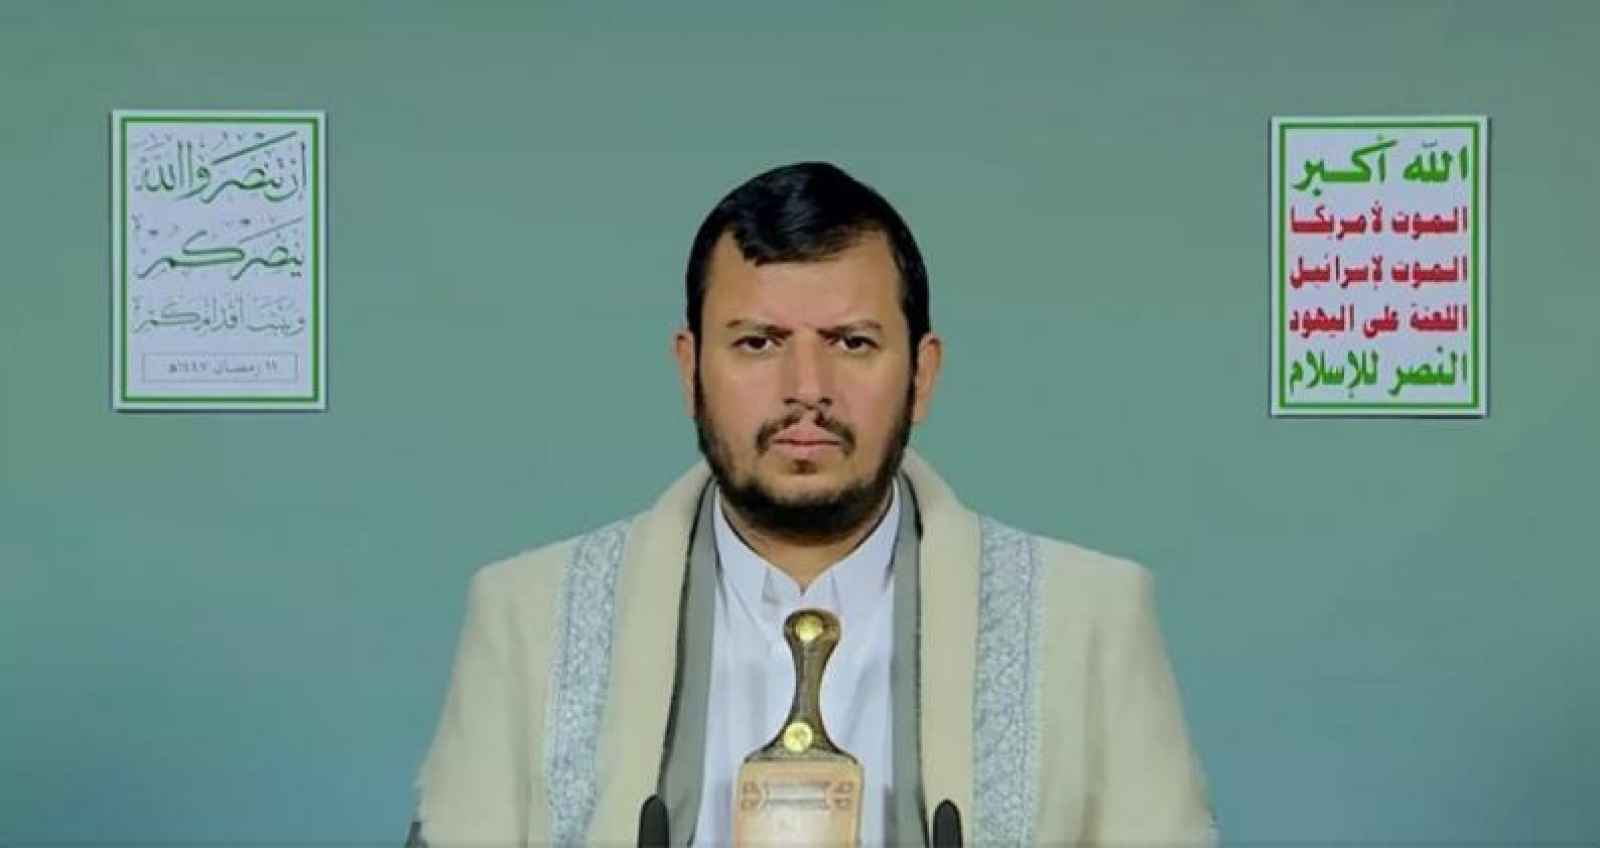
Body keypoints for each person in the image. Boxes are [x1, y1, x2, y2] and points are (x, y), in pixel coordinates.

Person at [408, 162, 1216, 847]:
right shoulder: (529, 618)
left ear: (922, 374)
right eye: (758, 343)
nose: (807, 390)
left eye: (852, 343)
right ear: (690, 370)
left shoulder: (1089, 620)